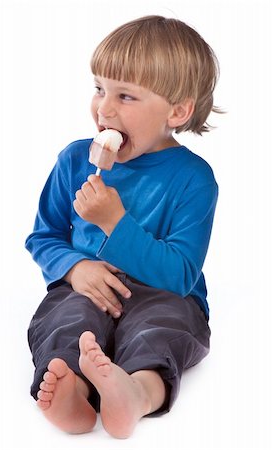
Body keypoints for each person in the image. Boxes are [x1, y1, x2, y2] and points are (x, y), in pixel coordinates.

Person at [25, 15, 220, 439]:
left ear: (178, 110)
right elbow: (43, 236)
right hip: (85, 286)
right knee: (67, 318)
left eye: (126, 96)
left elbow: (180, 274)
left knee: (161, 330)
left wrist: (115, 223)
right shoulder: (74, 161)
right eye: (99, 88)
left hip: (165, 294)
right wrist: (76, 269)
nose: (104, 108)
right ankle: (73, 390)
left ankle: (136, 393)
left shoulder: (193, 178)